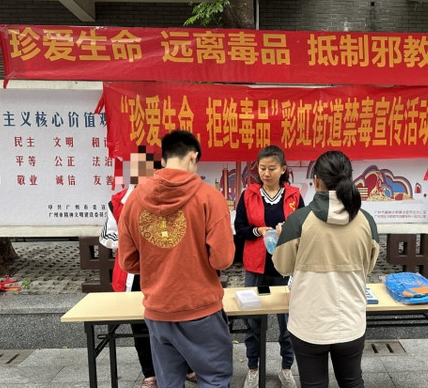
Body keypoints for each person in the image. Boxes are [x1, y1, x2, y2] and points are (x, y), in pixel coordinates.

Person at [118, 130, 235, 388]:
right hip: (201, 309)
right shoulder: (210, 197)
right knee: (214, 379)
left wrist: (157, 261)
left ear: (163, 160)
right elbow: (223, 259)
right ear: (193, 156)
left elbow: (128, 262)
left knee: (168, 381)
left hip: (158, 311)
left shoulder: (134, 199)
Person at [272, 150, 380, 388]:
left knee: (313, 384)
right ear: (349, 179)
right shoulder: (366, 221)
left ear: (316, 181)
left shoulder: (298, 221)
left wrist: (281, 238)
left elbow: (283, 266)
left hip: (309, 324)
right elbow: (369, 266)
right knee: (352, 382)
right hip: (351, 322)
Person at [99, 149, 197, 388]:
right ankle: (150, 372)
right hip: (134, 274)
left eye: (150, 170)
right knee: (140, 324)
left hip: (168, 272)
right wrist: (135, 241)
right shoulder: (118, 201)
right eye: (138, 170)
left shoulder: (171, 197)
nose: (143, 175)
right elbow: (106, 236)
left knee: (176, 321)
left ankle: (185, 366)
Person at [234, 145, 305, 388]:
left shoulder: (294, 196)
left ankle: (286, 368)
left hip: (284, 268)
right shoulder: (249, 195)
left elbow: (304, 228)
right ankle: (253, 368)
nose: (266, 173)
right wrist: (258, 231)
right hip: (256, 268)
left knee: (288, 322)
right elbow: (240, 228)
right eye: (262, 168)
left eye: (272, 168)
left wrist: (288, 231)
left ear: (283, 169)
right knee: (252, 321)